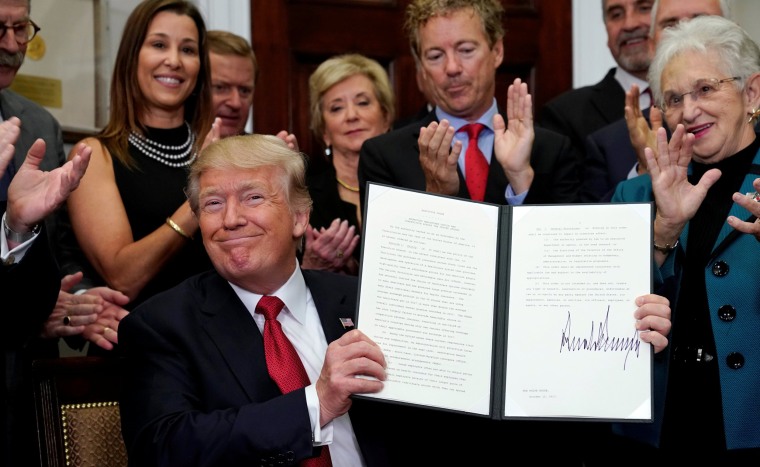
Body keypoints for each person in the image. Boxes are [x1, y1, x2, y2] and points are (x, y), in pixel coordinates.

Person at [118, 134, 392, 466]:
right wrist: (316, 404)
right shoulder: (161, 325)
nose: (231, 219)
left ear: (299, 218)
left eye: (253, 197)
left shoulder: (361, 303)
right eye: (213, 203)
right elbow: (162, 449)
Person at [607, 15, 760, 463]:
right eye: (674, 99)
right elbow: (600, 312)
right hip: (656, 433)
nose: (689, 111)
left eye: (706, 89)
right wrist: (662, 235)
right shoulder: (635, 194)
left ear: (751, 92)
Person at [65, 0, 217, 334]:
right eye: (159, 44)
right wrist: (200, 199)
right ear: (133, 56)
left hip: (222, 346)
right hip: (139, 350)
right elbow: (123, 277)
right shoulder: (94, 156)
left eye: (188, 50)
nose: (174, 61)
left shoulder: (221, 151)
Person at [359, 0, 580, 212]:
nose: (452, 68)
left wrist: (520, 179)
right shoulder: (385, 156)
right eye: (435, 56)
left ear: (497, 51)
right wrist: (437, 197)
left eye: (465, 50)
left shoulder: (552, 151)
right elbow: (390, 250)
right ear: (421, 67)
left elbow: (563, 246)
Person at [0, 116, 95, 465]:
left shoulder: (37, 122)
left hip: (25, 393)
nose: (13, 55)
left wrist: (18, 229)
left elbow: (59, 249)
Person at [581, 0, 730, 202]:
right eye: (671, 25)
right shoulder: (611, 139)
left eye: (701, 21)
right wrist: (647, 172)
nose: (686, 34)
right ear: (651, 44)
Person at [304, 53, 394, 275]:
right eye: (337, 108)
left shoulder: (411, 185)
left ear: (386, 116)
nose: (351, 115)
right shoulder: (303, 197)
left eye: (363, 103)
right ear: (324, 129)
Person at [536, 0, 654, 164]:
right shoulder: (564, 117)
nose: (629, 24)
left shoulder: (697, 98)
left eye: (644, 9)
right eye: (616, 14)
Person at [208, 29, 257, 138]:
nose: (236, 103)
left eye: (244, 91)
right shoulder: (167, 152)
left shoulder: (265, 154)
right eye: (220, 87)